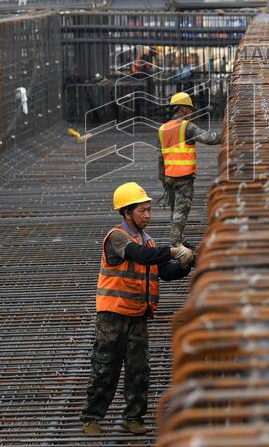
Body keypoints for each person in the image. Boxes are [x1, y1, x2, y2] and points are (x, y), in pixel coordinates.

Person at [81, 182, 195, 436]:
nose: (148, 215)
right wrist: (174, 250)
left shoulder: (148, 242)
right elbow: (141, 256)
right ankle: (92, 419)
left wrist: (186, 264)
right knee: (105, 367)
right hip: (113, 314)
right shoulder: (117, 238)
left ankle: (134, 418)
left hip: (138, 316)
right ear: (126, 212)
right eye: (142, 211)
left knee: (138, 370)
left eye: (149, 210)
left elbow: (164, 272)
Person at [158, 91, 222, 246]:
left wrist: (162, 179)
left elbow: (160, 156)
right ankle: (176, 244)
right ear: (184, 109)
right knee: (182, 210)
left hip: (169, 176)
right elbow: (210, 138)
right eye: (190, 109)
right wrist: (229, 132)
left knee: (175, 209)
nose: (192, 112)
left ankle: (179, 238)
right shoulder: (187, 127)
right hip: (183, 176)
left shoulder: (163, 129)